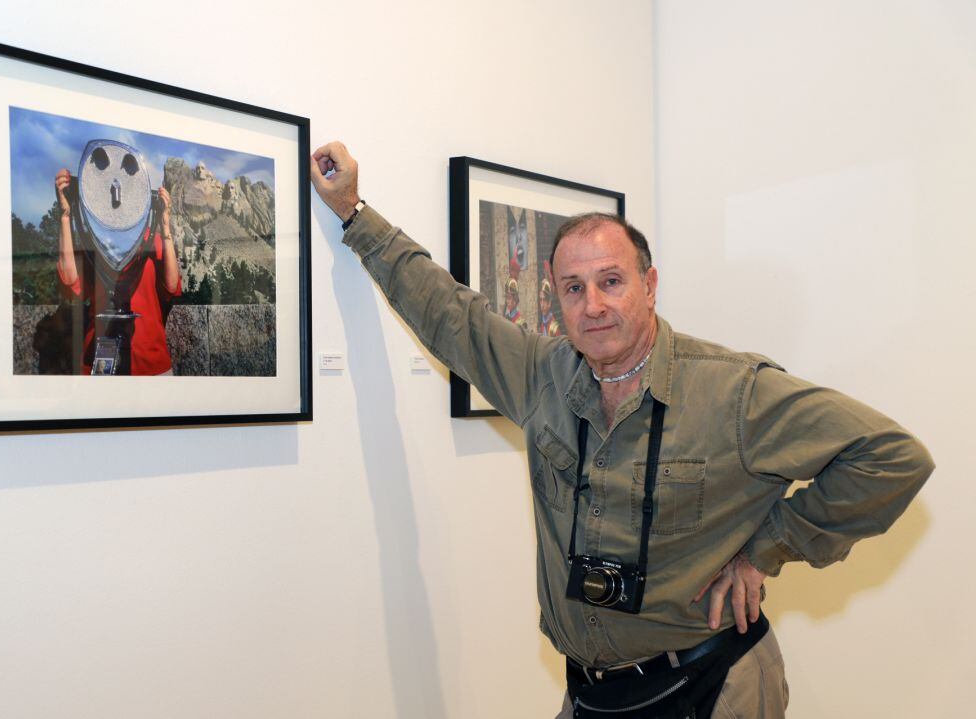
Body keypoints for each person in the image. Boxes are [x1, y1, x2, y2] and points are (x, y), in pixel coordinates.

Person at [310, 142, 932, 717]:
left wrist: (768, 547)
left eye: (611, 281)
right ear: (556, 300)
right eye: (573, 289)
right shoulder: (540, 375)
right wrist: (353, 211)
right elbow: (448, 312)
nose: (594, 306)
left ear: (649, 286)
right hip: (592, 693)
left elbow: (891, 456)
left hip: (712, 686)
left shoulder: (734, 392)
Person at [54, 168, 182, 375]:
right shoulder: (95, 241)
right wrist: (65, 216)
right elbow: (71, 284)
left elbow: (171, 286)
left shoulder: (153, 241)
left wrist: (164, 225)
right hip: (103, 358)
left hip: (149, 360)